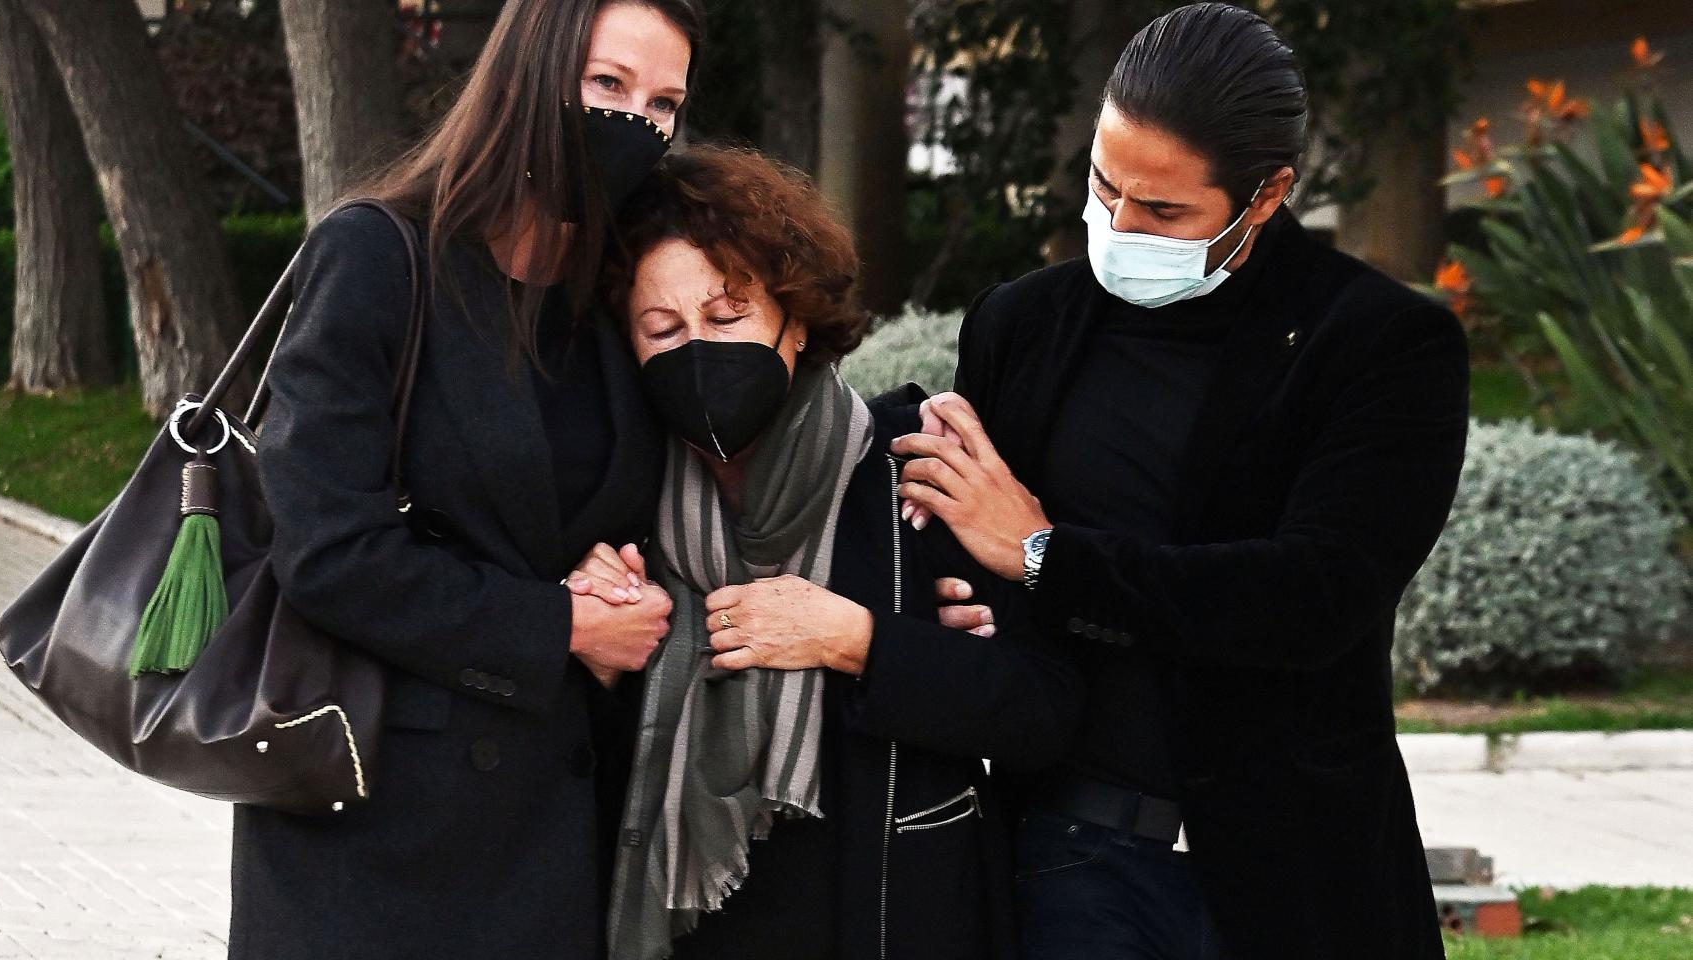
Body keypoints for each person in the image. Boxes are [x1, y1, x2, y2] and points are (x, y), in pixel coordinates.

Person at [892, 5, 1468, 960]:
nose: (1120, 226)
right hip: (1071, 862)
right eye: (1104, 186)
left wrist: (1045, 557)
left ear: (1268, 194)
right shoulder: (1020, 326)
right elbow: (983, 572)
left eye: (1162, 211)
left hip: (1297, 872)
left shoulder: (1378, 345)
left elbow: (1313, 597)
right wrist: (968, 594)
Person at [236, 2, 702, 958]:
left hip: (554, 832)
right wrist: (560, 625)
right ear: (529, 72)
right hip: (373, 838)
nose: (635, 124)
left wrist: (624, 587)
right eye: (607, 86)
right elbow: (328, 549)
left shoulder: (618, 288)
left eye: (664, 103)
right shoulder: (377, 254)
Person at [567, 144, 1082, 960]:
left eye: (728, 318)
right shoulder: (619, 508)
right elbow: (578, 757)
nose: (698, 351)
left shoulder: (912, 477)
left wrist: (857, 641)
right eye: (662, 330)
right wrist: (592, 651)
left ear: (795, 318)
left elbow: (1041, 711)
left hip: (882, 921)